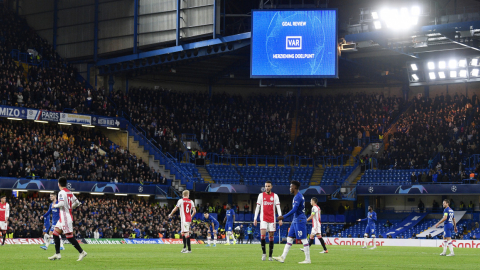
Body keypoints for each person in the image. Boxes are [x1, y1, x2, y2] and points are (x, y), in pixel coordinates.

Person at [48, 177, 87, 261]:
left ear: (59, 184)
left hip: (65, 217)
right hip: (63, 217)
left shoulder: (61, 192)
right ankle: (57, 254)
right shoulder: (69, 192)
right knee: (55, 234)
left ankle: (82, 252)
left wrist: (55, 205)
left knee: (69, 237)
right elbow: (77, 202)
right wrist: (71, 207)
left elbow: (61, 203)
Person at [274, 181, 310, 264]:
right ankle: (282, 257)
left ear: (295, 187)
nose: (290, 188)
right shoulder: (296, 196)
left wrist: (283, 217)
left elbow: (294, 210)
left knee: (303, 239)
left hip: (300, 220)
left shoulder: (298, 197)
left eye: (291, 187)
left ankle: (308, 260)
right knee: (289, 238)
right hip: (295, 220)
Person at [254, 180, 282, 261]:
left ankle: (270, 256)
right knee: (262, 236)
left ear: (271, 187)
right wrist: (255, 218)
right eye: (266, 186)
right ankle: (264, 253)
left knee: (271, 237)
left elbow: (278, 208)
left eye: (268, 186)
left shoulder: (275, 196)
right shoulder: (261, 195)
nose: (267, 187)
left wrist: (280, 218)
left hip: (272, 219)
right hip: (263, 219)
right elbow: (257, 208)